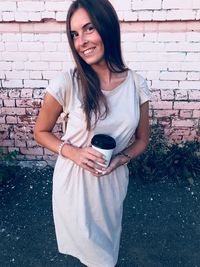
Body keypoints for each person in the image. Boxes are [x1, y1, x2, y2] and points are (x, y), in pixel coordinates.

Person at [34, 0, 151, 266]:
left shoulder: (136, 85)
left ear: (107, 27)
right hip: (74, 185)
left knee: (107, 249)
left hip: (112, 184)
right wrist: (73, 152)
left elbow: (143, 139)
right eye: (74, 34)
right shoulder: (66, 83)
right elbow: (40, 132)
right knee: (96, 257)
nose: (81, 41)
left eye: (89, 29)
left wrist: (122, 159)